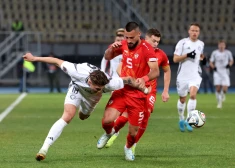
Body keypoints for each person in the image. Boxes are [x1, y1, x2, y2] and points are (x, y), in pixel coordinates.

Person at [22, 52, 150, 161]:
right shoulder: (76, 71)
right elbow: (56, 61)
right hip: (76, 89)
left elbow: (128, 79)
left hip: (92, 99)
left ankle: (109, 132)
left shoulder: (109, 83)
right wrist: (34, 59)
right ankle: (44, 149)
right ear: (89, 81)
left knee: (83, 116)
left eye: (101, 88)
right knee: (67, 116)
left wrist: (142, 87)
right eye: (97, 87)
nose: (99, 89)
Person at [96, 22, 160, 161]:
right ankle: (108, 134)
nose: (128, 41)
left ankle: (128, 147)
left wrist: (143, 78)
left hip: (137, 95)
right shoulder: (123, 44)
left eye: (131, 38)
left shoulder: (147, 49)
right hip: (122, 89)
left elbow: (155, 71)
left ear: (139, 34)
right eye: (127, 37)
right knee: (107, 120)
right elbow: (107, 57)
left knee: (133, 132)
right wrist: (111, 49)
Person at [104, 28, 171, 153]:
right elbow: (120, 68)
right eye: (154, 41)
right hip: (133, 89)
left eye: (158, 42)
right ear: (146, 39)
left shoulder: (160, 54)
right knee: (125, 114)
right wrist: (131, 81)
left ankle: (132, 145)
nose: (156, 44)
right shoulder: (135, 50)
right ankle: (114, 132)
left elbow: (167, 70)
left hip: (149, 90)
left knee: (146, 114)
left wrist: (166, 90)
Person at [173, 23, 205, 132]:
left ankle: (188, 120)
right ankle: (181, 118)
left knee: (193, 94)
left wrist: (203, 59)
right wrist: (187, 55)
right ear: (189, 31)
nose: (194, 32)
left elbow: (200, 57)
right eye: (193, 30)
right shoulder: (182, 43)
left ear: (199, 32)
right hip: (182, 76)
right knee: (182, 99)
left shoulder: (201, 44)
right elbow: (175, 59)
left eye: (197, 31)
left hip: (195, 75)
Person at [209, 40, 234, 108]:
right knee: (218, 88)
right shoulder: (215, 53)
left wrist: (229, 65)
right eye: (220, 45)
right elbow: (211, 61)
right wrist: (213, 67)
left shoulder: (228, 53)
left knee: (225, 89)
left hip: (225, 72)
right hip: (217, 72)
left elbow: (231, 60)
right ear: (218, 45)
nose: (221, 46)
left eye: (223, 45)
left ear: (225, 46)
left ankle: (223, 95)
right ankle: (219, 103)